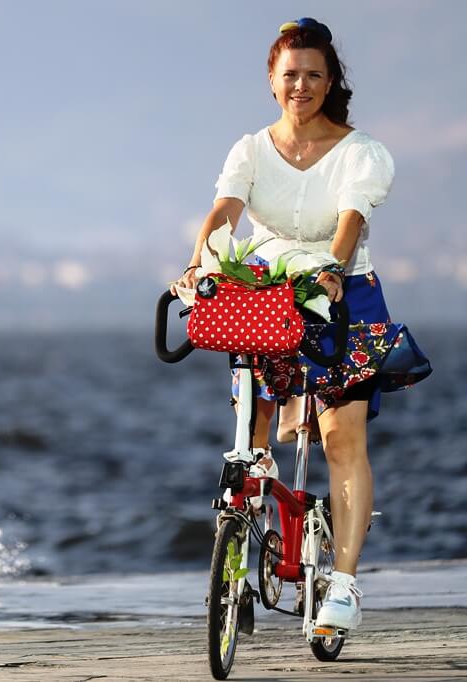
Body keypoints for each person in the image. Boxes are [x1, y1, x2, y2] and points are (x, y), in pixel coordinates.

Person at [171, 18, 430, 631]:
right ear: (271, 79)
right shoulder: (251, 149)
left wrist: (333, 272)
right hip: (266, 296)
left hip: (344, 295)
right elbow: (223, 211)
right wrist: (197, 264)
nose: (301, 85)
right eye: (291, 74)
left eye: (314, 75)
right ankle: (242, 548)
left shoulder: (361, 152)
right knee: (249, 434)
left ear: (331, 79)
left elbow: (350, 223)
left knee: (343, 438)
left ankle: (342, 584)